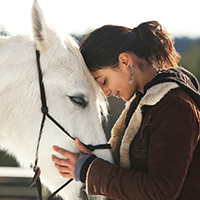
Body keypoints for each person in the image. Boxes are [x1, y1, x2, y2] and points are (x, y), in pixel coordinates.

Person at [51, 21, 200, 200]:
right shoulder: (143, 104)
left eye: (103, 81)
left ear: (125, 61)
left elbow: (160, 191)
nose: (105, 93)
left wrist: (89, 170)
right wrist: (93, 160)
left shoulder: (174, 105)